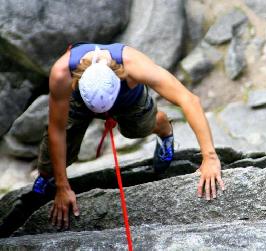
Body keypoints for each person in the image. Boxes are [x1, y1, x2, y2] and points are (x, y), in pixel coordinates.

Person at [32, 42, 225, 230]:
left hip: (128, 98)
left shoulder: (133, 65)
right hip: (78, 101)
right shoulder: (62, 75)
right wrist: (62, 186)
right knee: (51, 160)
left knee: (138, 129)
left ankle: (163, 127)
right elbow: (56, 130)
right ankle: (49, 174)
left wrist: (210, 157)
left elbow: (188, 99)